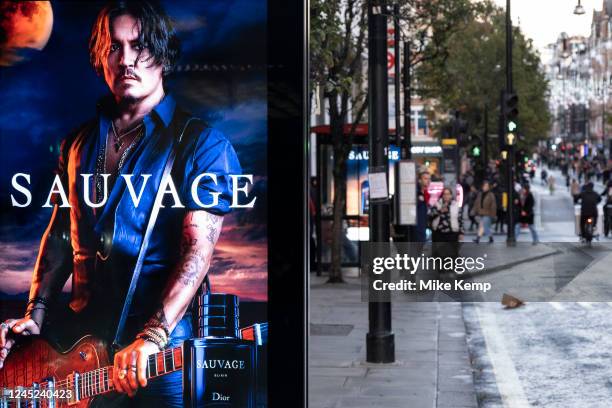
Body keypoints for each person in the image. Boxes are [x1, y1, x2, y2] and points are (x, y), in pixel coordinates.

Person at [0, 2, 242, 406]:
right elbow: (62, 234)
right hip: (77, 351)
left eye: (140, 46)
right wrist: (35, 314)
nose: (126, 59)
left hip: (158, 359)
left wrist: (151, 338)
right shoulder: (77, 144)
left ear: (162, 54)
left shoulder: (203, 144)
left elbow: (197, 252)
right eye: (114, 47)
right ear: (101, 56)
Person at [429, 187, 464, 263]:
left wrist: (461, 232)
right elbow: (430, 215)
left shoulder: (456, 205)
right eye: (444, 194)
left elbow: (460, 219)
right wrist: (440, 211)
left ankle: (451, 270)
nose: (446, 196)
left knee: (452, 254)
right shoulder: (437, 204)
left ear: (451, 195)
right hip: (439, 233)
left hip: (452, 232)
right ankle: (441, 271)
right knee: (440, 255)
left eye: (448, 194)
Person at [415, 170, 431, 243]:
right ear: (419, 180)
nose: (428, 181)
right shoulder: (417, 193)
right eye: (425, 178)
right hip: (415, 230)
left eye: (429, 179)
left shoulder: (426, 194)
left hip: (422, 228)